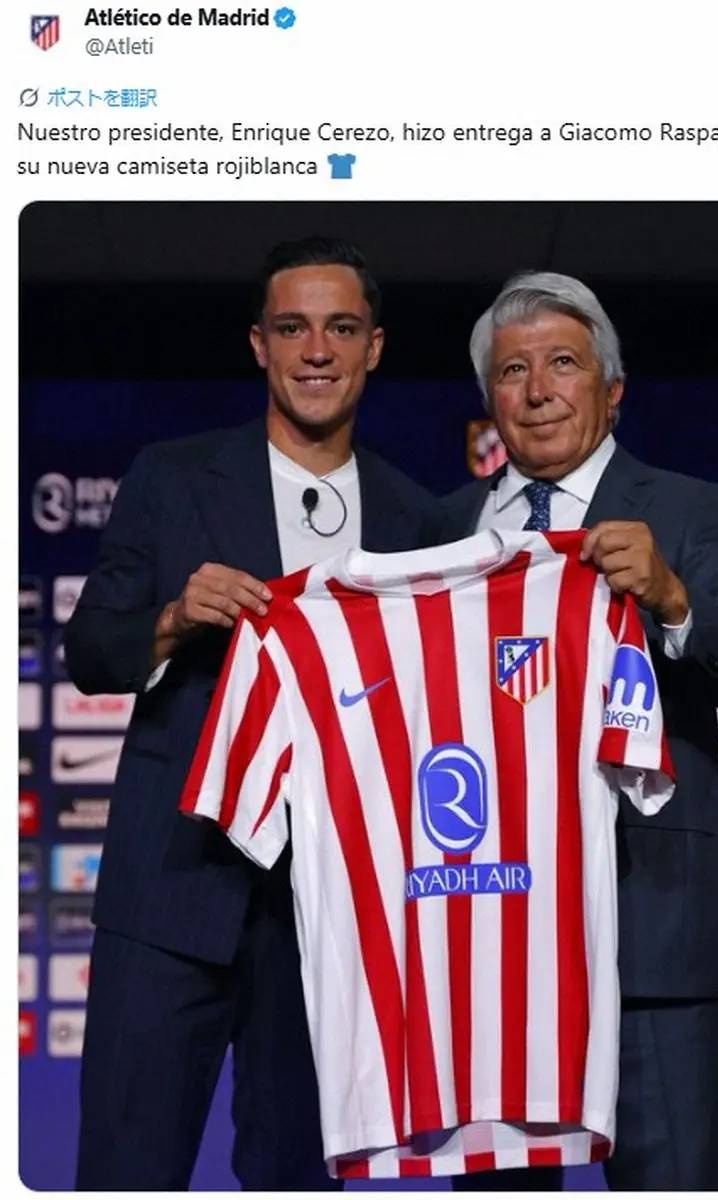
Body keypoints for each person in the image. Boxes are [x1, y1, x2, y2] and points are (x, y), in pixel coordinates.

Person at [64, 236, 442, 1190]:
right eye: (293, 328)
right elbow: (91, 651)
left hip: (331, 921)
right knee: (124, 1173)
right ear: (259, 345)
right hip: (170, 896)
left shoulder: (418, 517)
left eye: (341, 328)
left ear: (374, 348)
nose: (317, 350)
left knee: (296, 1179)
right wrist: (171, 618)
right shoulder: (171, 478)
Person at [442, 271, 718, 1191]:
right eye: (513, 371)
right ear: (490, 399)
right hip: (488, 940)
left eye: (562, 363)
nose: (538, 390)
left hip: (650, 926)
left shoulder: (687, 507)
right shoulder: (438, 529)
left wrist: (673, 598)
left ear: (613, 388)